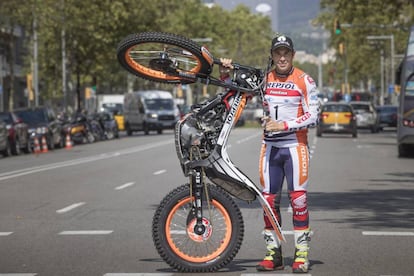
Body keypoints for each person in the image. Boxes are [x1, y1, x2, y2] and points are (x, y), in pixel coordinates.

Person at [219, 34, 319, 273]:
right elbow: (233, 94)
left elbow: (314, 116)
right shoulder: (263, 79)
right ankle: (273, 254)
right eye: (277, 53)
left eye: (286, 53)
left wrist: (283, 125)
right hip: (270, 149)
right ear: (272, 56)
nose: (282, 57)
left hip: (295, 148)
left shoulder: (305, 80)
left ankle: (301, 254)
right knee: (269, 202)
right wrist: (225, 73)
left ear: (292, 55)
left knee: (299, 201)